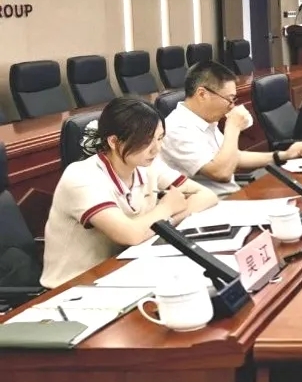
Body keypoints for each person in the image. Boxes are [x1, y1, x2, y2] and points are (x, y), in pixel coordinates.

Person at [41, 98, 218, 288]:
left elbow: (207, 196)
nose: (156, 149)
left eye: (159, 138)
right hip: (74, 286)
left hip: (126, 270)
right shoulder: (81, 177)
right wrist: (166, 208)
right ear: (114, 141)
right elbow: (131, 235)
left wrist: (165, 221)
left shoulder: (146, 164)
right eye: (146, 141)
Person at [160, 61, 302, 196]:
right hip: (209, 207)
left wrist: (283, 155)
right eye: (230, 99)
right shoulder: (177, 129)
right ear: (202, 94)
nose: (232, 106)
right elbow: (221, 172)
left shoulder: (205, 119)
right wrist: (232, 127)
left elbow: (234, 156)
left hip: (231, 196)